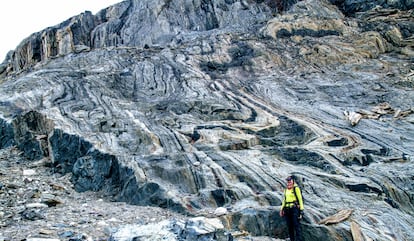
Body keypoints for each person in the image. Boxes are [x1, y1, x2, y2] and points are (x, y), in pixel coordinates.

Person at [279, 175, 304, 241]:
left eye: (290, 181)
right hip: (287, 209)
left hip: (294, 209)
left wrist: (301, 210)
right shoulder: (286, 189)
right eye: (288, 181)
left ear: (293, 181)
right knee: (290, 226)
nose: (289, 182)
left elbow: (300, 199)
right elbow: (284, 200)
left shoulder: (296, 188)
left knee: (296, 225)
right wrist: (281, 209)